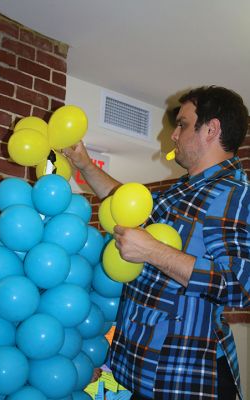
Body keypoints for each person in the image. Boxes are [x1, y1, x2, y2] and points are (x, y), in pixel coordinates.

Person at [64, 86, 250, 400]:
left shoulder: (233, 193)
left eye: (182, 124)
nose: (174, 135)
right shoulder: (185, 189)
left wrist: (152, 250)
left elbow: (240, 286)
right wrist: (83, 164)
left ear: (211, 129)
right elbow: (123, 203)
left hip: (183, 378)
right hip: (133, 368)